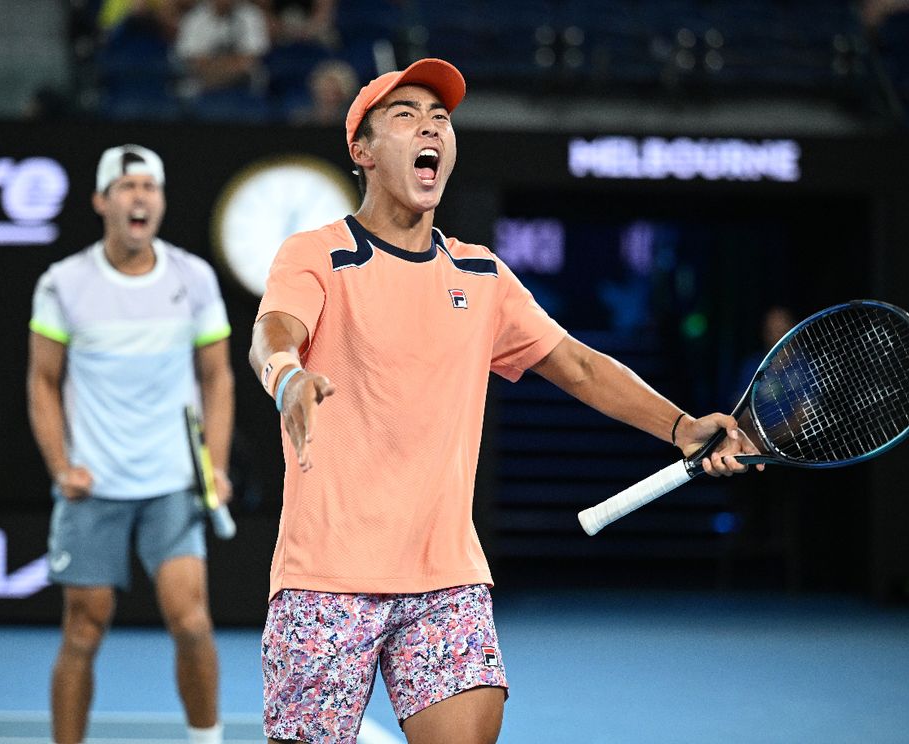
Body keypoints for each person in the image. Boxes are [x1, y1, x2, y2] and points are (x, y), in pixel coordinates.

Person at [247, 58, 761, 744]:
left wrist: (682, 426)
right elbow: (274, 332)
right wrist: (288, 378)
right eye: (405, 116)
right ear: (362, 151)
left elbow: (578, 366)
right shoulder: (318, 254)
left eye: (441, 119)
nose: (430, 127)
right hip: (324, 578)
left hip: (445, 577)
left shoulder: (481, 273)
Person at [27, 144, 234, 744]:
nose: (139, 197)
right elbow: (43, 382)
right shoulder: (62, 284)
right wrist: (61, 466)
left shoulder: (194, 278)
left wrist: (213, 467)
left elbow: (216, 377)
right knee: (83, 631)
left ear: (161, 201)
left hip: (171, 483)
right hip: (94, 487)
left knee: (190, 621)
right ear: (101, 201)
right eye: (126, 186)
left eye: (150, 187)